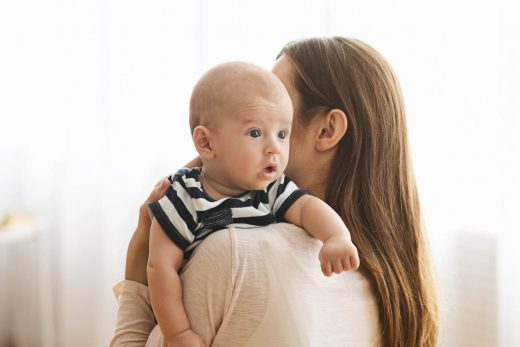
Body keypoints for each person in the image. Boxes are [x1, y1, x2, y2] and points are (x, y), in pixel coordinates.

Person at [110, 36, 439, 347]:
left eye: (280, 110)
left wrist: (139, 256)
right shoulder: (392, 283)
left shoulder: (234, 253)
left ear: (327, 130)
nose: (263, 104)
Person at [146, 62, 359, 346]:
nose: (274, 148)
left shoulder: (269, 189)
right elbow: (160, 268)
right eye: (255, 133)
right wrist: (178, 332)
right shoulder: (186, 195)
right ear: (206, 143)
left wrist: (336, 237)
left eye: (282, 134)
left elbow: (307, 207)